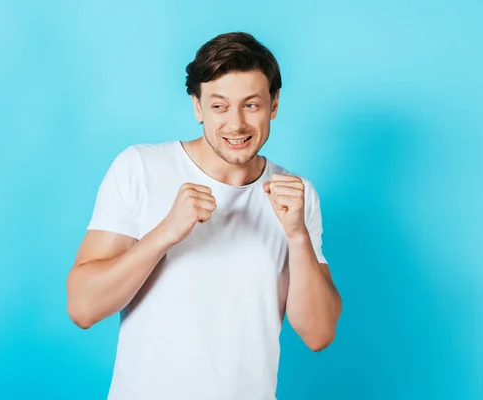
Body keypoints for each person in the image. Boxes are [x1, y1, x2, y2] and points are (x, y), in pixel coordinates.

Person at [66, 31, 342, 400]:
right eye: (219, 106)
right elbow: (83, 308)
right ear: (197, 107)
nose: (236, 124)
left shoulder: (294, 194)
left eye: (251, 105)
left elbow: (319, 333)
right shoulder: (141, 167)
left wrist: (296, 235)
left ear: (274, 105)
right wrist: (165, 233)